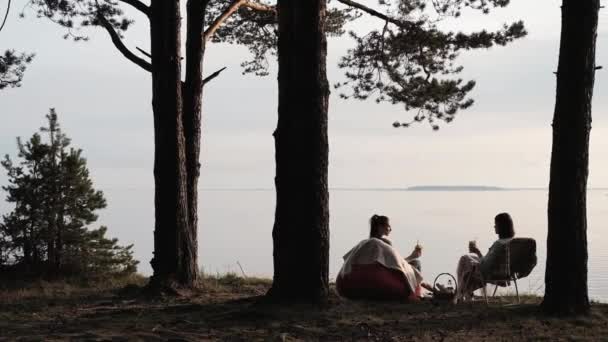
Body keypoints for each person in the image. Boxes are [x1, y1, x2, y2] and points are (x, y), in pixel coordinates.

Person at [336, 214, 433, 301]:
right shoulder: (384, 243)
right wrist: (413, 256)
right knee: (416, 262)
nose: (390, 229)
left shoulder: (364, 243)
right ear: (380, 227)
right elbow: (396, 264)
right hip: (381, 277)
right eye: (388, 226)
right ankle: (417, 291)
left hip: (351, 283)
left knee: (413, 263)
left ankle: (420, 288)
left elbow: (391, 262)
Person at [456, 212, 516, 301]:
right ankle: (466, 292)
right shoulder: (513, 242)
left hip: (493, 273)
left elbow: (486, 265)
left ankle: (460, 293)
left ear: (501, 227)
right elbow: (491, 261)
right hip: (507, 273)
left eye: (496, 224)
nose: (494, 227)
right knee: (467, 259)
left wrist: (477, 252)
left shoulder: (499, 244)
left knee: (465, 260)